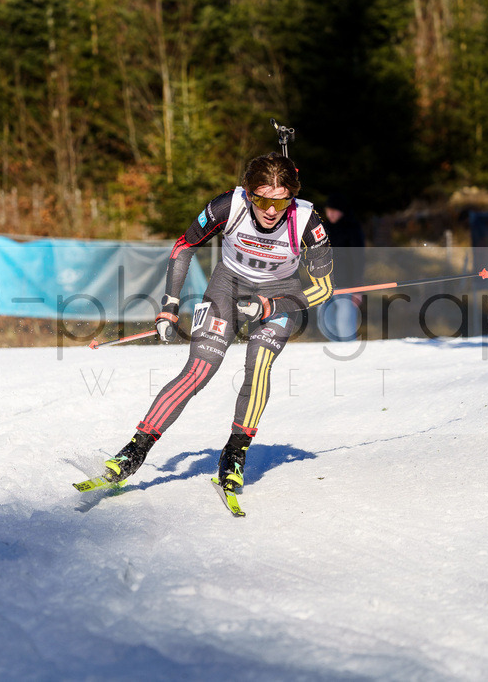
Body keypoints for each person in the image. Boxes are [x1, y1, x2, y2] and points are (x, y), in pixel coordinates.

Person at [102, 152, 334, 491]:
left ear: (292, 196)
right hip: (227, 287)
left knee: (260, 362)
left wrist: (272, 304)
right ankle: (134, 451)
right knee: (200, 368)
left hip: (281, 295)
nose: (270, 211)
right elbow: (184, 246)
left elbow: (324, 288)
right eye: (260, 199)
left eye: (281, 202)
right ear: (247, 192)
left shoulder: (307, 220)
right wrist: (169, 305)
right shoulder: (228, 206)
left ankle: (235, 454)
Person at [318, 193, 366, 342]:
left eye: (335, 210)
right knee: (326, 324)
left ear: (342, 211)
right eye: (328, 210)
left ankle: (349, 354)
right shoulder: (322, 229)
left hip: (347, 286)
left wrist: (357, 288)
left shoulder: (352, 229)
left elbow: (358, 260)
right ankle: (335, 355)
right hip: (325, 285)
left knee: (345, 326)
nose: (331, 213)